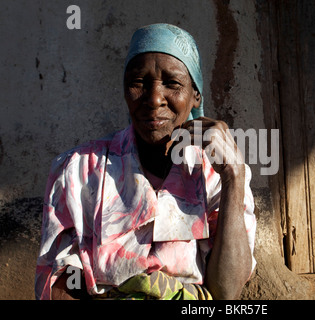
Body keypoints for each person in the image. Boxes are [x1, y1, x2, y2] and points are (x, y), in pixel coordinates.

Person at [35, 23, 256, 300]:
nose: (153, 99)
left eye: (172, 83)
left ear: (195, 95)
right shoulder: (79, 170)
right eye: (138, 82)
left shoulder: (216, 174)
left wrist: (234, 176)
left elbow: (226, 293)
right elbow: (62, 283)